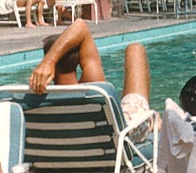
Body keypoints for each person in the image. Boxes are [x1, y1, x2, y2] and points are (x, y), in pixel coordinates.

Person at [28, 19, 156, 141]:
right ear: (78, 60)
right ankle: (152, 119)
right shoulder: (94, 89)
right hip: (121, 139)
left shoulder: (30, 100)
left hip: (68, 151)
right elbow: (81, 26)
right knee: (135, 49)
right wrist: (49, 61)